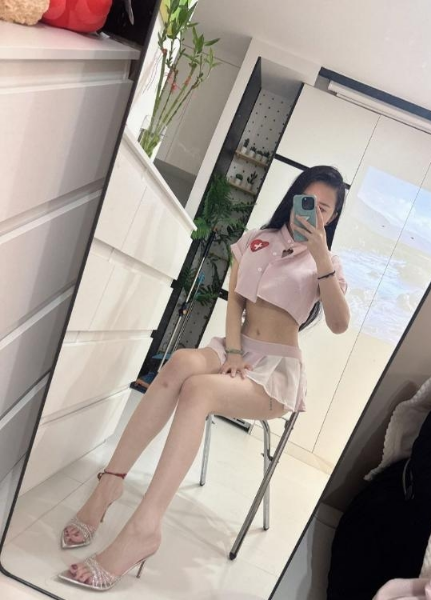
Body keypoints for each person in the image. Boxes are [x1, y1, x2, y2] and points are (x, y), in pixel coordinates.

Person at [58, 165, 351, 590]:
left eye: (324, 209)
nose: (314, 212)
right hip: (235, 349)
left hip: (274, 373)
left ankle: (144, 528)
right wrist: (232, 353)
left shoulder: (328, 263)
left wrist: (321, 258)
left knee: (198, 391)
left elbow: (340, 324)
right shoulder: (258, 239)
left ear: (333, 216)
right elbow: (235, 303)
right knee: (179, 363)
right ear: (294, 197)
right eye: (309, 201)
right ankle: (110, 485)